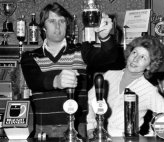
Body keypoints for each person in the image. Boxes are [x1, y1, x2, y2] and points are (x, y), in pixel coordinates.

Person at [21, 2, 120, 138]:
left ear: (67, 25)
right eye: (52, 21)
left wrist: (105, 37)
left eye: (61, 21)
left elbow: (109, 57)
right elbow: (35, 81)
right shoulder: (30, 56)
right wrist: (56, 80)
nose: (57, 26)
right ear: (43, 27)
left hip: (78, 129)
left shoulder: (81, 51)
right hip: (43, 130)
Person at [87, 35, 164, 137]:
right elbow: (90, 101)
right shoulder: (109, 75)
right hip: (99, 137)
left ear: (149, 65)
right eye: (134, 53)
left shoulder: (148, 90)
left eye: (143, 57)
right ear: (129, 54)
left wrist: (151, 134)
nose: (135, 59)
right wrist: (90, 127)